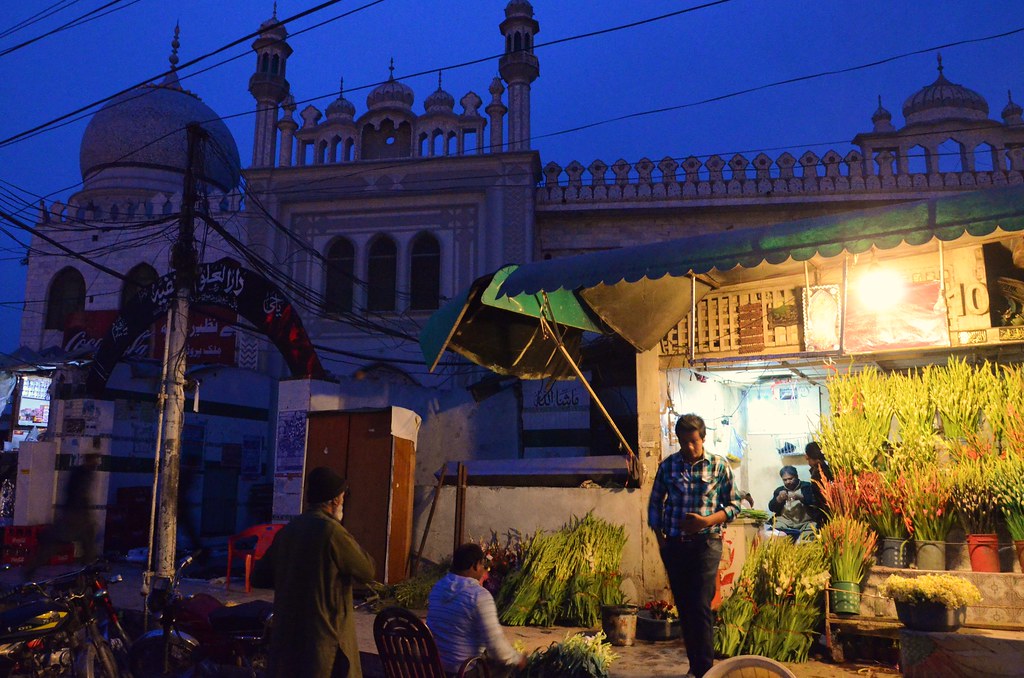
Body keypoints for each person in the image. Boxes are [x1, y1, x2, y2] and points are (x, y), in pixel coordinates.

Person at [252, 467, 375, 678]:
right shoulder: (332, 531)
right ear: (335, 500)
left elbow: (259, 576)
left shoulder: (289, 530)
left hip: (288, 642)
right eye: (343, 498)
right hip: (324, 644)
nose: (343, 503)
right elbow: (367, 570)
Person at [648, 413, 742, 678]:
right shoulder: (668, 467)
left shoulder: (719, 466)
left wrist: (706, 521)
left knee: (700, 604)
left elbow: (734, 506)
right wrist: (661, 543)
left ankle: (705, 670)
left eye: (693, 441)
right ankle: (695, 667)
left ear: (703, 438)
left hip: (707, 544)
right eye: (683, 442)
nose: (689, 447)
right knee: (686, 607)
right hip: (675, 546)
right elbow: (655, 504)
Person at [426, 543, 526, 677]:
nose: (483, 570)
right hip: (463, 671)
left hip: (435, 669)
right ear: (475, 565)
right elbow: (496, 646)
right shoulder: (478, 596)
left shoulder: (437, 588)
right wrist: (518, 659)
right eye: (482, 566)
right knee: (506, 667)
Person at [26, 452, 101, 579]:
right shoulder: (84, 474)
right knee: (69, 541)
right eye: (96, 460)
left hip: (74, 514)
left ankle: (88, 568)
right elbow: (80, 494)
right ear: (90, 461)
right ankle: (88, 570)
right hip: (76, 516)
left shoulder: (79, 472)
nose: (97, 463)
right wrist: (84, 513)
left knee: (73, 541)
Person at [767, 465, 819, 538]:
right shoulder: (779, 490)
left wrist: (800, 497)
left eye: (790, 479)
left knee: (809, 536)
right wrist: (779, 499)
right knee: (776, 533)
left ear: (796, 476)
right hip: (786, 523)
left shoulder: (806, 486)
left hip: (805, 523)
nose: (788, 482)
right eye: (785, 480)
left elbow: (814, 502)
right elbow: (772, 507)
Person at [805, 441, 834, 525]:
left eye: (808, 458)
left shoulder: (819, 474)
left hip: (825, 515)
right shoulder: (829, 469)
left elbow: (819, 498)